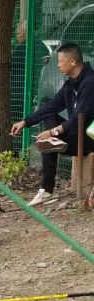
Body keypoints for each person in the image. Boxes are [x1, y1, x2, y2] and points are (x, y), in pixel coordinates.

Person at [10, 43, 94, 206]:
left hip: (91, 138)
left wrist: (53, 132)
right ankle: (46, 190)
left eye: (60, 60)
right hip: (77, 134)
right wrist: (25, 122)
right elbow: (51, 106)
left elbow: (79, 118)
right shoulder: (71, 84)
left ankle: (55, 145)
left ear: (72, 62)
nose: (57, 65)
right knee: (50, 117)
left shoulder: (90, 82)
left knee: (51, 134)